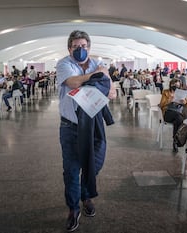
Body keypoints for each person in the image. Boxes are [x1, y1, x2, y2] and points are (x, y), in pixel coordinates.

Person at [56, 30, 116, 232]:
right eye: (75, 47)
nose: (79, 50)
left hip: (94, 125)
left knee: (94, 164)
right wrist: (96, 76)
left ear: (89, 47)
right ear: (69, 48)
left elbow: (112, 92)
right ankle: (73, 209)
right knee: (72, 170)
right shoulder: (64, 64)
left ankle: (85, 195)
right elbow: (72, 82)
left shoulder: (98, 63)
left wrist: (100, 76)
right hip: (70, 127)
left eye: (83, 46)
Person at [159, 78, 187, 152]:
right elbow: (161, 104)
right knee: (180, 118)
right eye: (174, 84)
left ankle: (175, 141)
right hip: (168, 113)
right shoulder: (166, 92)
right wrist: (170, 100)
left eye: (177, 85)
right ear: (171, 84)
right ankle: (181, 139)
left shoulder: (182, 93)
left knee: (178, 119)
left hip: (178, 114)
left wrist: (184, 102)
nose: (175, 86)